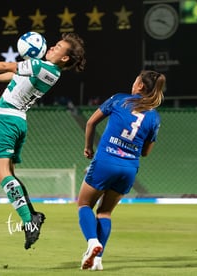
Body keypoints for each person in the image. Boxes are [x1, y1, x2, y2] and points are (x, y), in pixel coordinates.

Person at [0, 32, 86, 249]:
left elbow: (6, 66)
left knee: (1, 174)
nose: (52, 47)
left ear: (65, 58)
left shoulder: (40, 66)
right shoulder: (50, 72)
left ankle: (29, 222)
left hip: (6, 119)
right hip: (20, 121)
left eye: (58, 47)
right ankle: (32, 214)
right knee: (10, 174)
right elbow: (15, 76)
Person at [78, 70, 165, 270]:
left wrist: (88, 147)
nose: (133, 83)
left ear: (141, 86)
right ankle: (98, 261)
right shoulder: (154, 117)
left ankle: (92, 242)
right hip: (129, 168)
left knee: (84, 204)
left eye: (135, 80)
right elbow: (146, 152)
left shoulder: (119, 100)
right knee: (105, 212)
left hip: (106, 161)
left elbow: (91, 122)